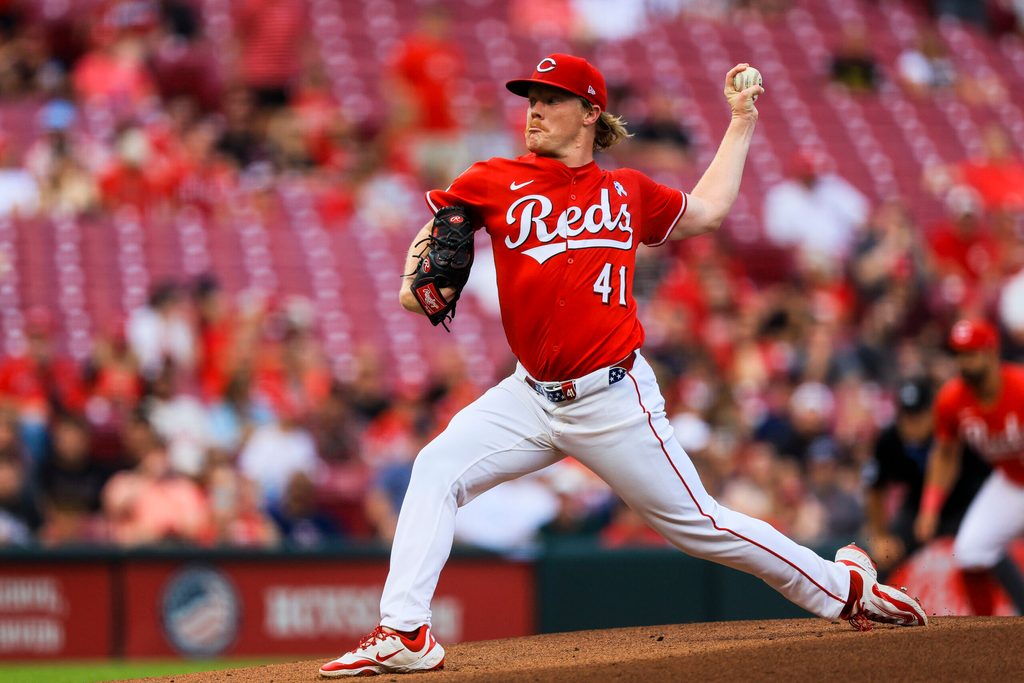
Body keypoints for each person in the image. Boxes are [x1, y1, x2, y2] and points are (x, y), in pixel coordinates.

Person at [320, 54, 927, 678]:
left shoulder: (627, 190)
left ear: (589, 113)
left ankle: (843, 588)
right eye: (531, 97)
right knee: (435, 467)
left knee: (701, 526)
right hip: (529, 396)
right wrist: (419, 266)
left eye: (552, 99)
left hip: (612, 397)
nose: (534, 108)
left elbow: (708, 211)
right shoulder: (491, 179)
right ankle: (405, 632)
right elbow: (421, 268)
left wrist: (740, 121)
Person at [915, 319, 1024, 615]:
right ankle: (986, 634)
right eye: (960, 354)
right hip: (1012, 482)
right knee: (971, 551)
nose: (965, 362)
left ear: (991, 352)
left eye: (972, 353)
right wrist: (930, 506)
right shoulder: (951, 399)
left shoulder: (1019, 386)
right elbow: (946, 455)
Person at [865, 377, 989, 574]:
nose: (912, 424)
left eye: (918, 415)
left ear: (933, 412)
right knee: (884, 556)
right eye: (906, 416)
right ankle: (881, 605)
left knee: (977, 554)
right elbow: (874, 488)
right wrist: (880, 536)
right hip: (917, 507)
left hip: (967, 504)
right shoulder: (889, 439)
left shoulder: (956, 429)